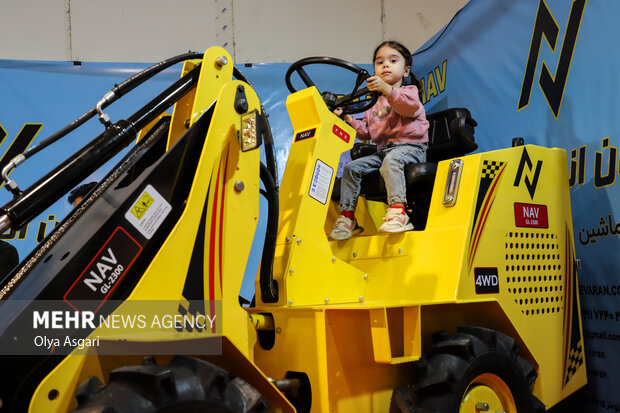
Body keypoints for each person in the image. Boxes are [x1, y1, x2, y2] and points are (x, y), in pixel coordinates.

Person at [329, 41, 429, 240]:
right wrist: (347, 119)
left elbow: (406, 108)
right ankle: (348, 217)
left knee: (391, 162)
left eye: (393, 60)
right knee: (351, 168)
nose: (385, 65)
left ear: (406, 70)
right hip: (384, 151)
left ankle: (399, 212)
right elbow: (366, 132)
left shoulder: (409, 93)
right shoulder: (374, 103)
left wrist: (387, 90)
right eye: (379, 62)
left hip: (411, 148)